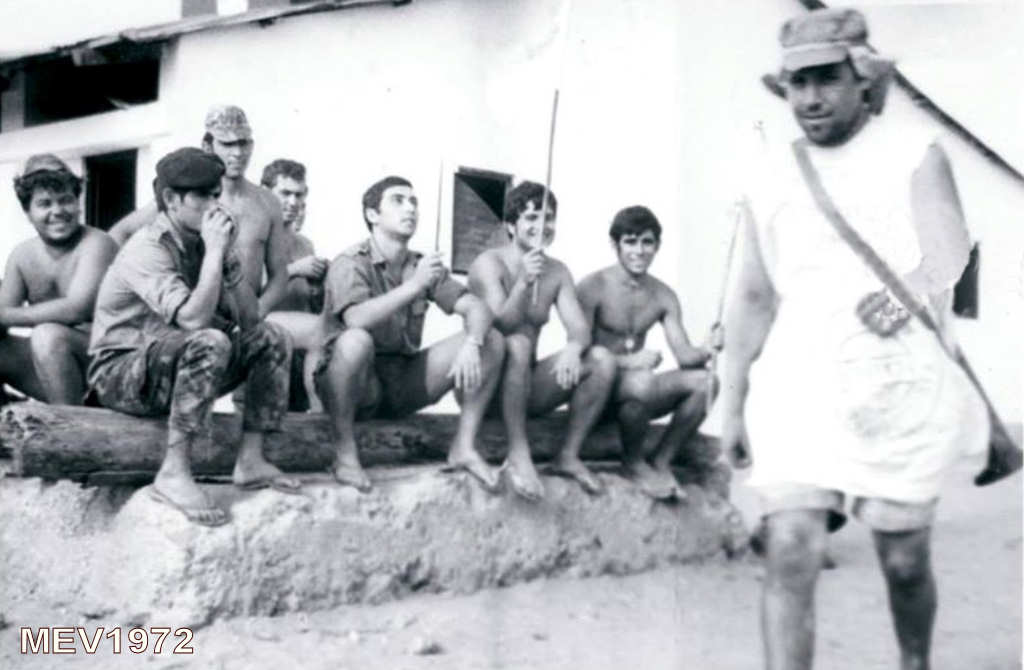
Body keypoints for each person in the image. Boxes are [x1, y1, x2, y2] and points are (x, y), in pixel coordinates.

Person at [722, 9, 986, 669]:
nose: (810, 98)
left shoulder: (913, 155)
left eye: (826, 79)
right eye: (798, 83)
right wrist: (733, 400)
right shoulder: (770, 173)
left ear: (861, 77)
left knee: (903, 559)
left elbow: (951, 253)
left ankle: (915, 662)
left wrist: (901, 298)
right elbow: (752, 294)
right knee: (790, 547)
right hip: (800, 381)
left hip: (897, 383)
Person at [88, 148, 299, 527]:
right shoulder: (148, 246)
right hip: (120, 371)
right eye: (203, 196)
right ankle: (173, 472)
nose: (216, 205)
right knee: (210, 339)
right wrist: (216, 253)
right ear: (171, 199)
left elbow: (251, 318)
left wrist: (227, 261)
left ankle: (250, 460)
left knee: (272, 337)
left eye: (217, 194)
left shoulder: (206, 240)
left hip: (174, 362)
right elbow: (192, 319)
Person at [315, 175, 505, 493]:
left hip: (401, 381)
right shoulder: (350, 263)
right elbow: (356, 318)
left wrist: (473, 343)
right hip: (357, 384)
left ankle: (463, 446)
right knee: (356, 341)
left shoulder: (420, 265)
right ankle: (344, 455)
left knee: (492, 340)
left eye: (414, 201)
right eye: (398, 200)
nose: (410, 208)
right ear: (372, 215)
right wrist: (415, 285)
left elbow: (477, 308)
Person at [467, 181, 617, 500]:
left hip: (524, 386)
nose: (542, 226)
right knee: (517, 342)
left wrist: (574, 348)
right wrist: (523, 283)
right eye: (532, 217)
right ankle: (518, 453)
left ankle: (569, 455)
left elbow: (579, 327)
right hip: (484, 386)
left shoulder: (558, 271)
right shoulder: (488, 264)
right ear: (511, 225)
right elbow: (500, 326)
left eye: (548, 218)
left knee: (601, 359)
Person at [577, 206, 718, 500]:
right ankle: (633, 463)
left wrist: (708, 347)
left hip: (635, 395)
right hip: (596, 394)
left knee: (706, 382)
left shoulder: (663, 295)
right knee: (641, 380)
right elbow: (580, 355)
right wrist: (631, 362)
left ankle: (661, 460)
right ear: (615, 245)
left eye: (647, 242)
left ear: (657, 246)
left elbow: (685, 357)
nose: (639, 251)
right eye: (630, 242)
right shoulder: (593, 287)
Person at [108, 105, 289, 318]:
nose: (238, 153)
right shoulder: (185, 200)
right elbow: (118, 234)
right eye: (227, 144)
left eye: (244, 143)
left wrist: (258, 311)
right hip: (197, 319)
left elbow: (279, 274)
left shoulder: (267, 202)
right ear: (208, 146)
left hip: (247, 315)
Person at [0, 154, 117, 404]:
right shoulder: (22, 255)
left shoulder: (98, 243)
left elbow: (77, 309)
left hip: (108, 368)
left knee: (47, 335)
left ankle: (70, 423)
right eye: (45, 203)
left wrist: (5, 315)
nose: (58, 211)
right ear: (28, 212)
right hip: (56, 371)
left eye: (66, 200)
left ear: (78, 202)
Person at [261, 158, 326, 411]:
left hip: (299, 356)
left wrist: (319, 284)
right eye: (285, 193)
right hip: (262, 341)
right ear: (265, 192)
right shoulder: (253, 237)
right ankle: (319, 417)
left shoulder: (304, 244)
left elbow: (307, 302)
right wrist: (295, 270)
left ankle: (320, 413)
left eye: (299, 195)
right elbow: (245, 294)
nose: (293, 202)